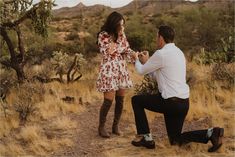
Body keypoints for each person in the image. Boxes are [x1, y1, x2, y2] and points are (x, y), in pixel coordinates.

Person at [131, 25, 224, 152]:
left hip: (170, 102)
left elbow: (141, 71)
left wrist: (137, 59)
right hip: (183, 103)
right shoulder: (179, 52)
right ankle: (211, 133)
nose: (156, 39)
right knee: (175, 140)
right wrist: (147, 62)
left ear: (161, 38)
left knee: (136, 100)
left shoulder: (161, 54)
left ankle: (147, 138)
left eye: (156, 37)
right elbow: (158, 76)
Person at [96, 11, 137, 138]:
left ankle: (115, 126)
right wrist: (117, 38)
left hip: (121, 69)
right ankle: (101, 127)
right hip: (109, 70)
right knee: (108, 100)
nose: (122, 27)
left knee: (120, 100)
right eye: (120, 25)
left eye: (123, 25)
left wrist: (135, 55)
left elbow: (126, 50)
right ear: (113, 23)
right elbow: (109, 51)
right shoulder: (103, 35)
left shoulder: (122, 35)